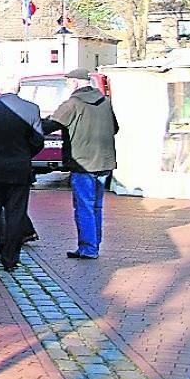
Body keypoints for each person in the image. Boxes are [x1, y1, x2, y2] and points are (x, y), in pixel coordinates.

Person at [42, 68, 118, 259]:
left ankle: (88, 248)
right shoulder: (104, 102)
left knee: (84, 206)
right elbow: (115, 128)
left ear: (75, 82)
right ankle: (94, 244)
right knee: (96, 207)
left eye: (68, 83)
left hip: (82, 163)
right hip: (104, 161)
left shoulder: (73, 104)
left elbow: (49, 126)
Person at [0, 77, 44, 271]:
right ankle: (10, 260)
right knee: (16, 215)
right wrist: (24, 156)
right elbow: (38, 141)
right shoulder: (31, 109)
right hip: (19, 169)